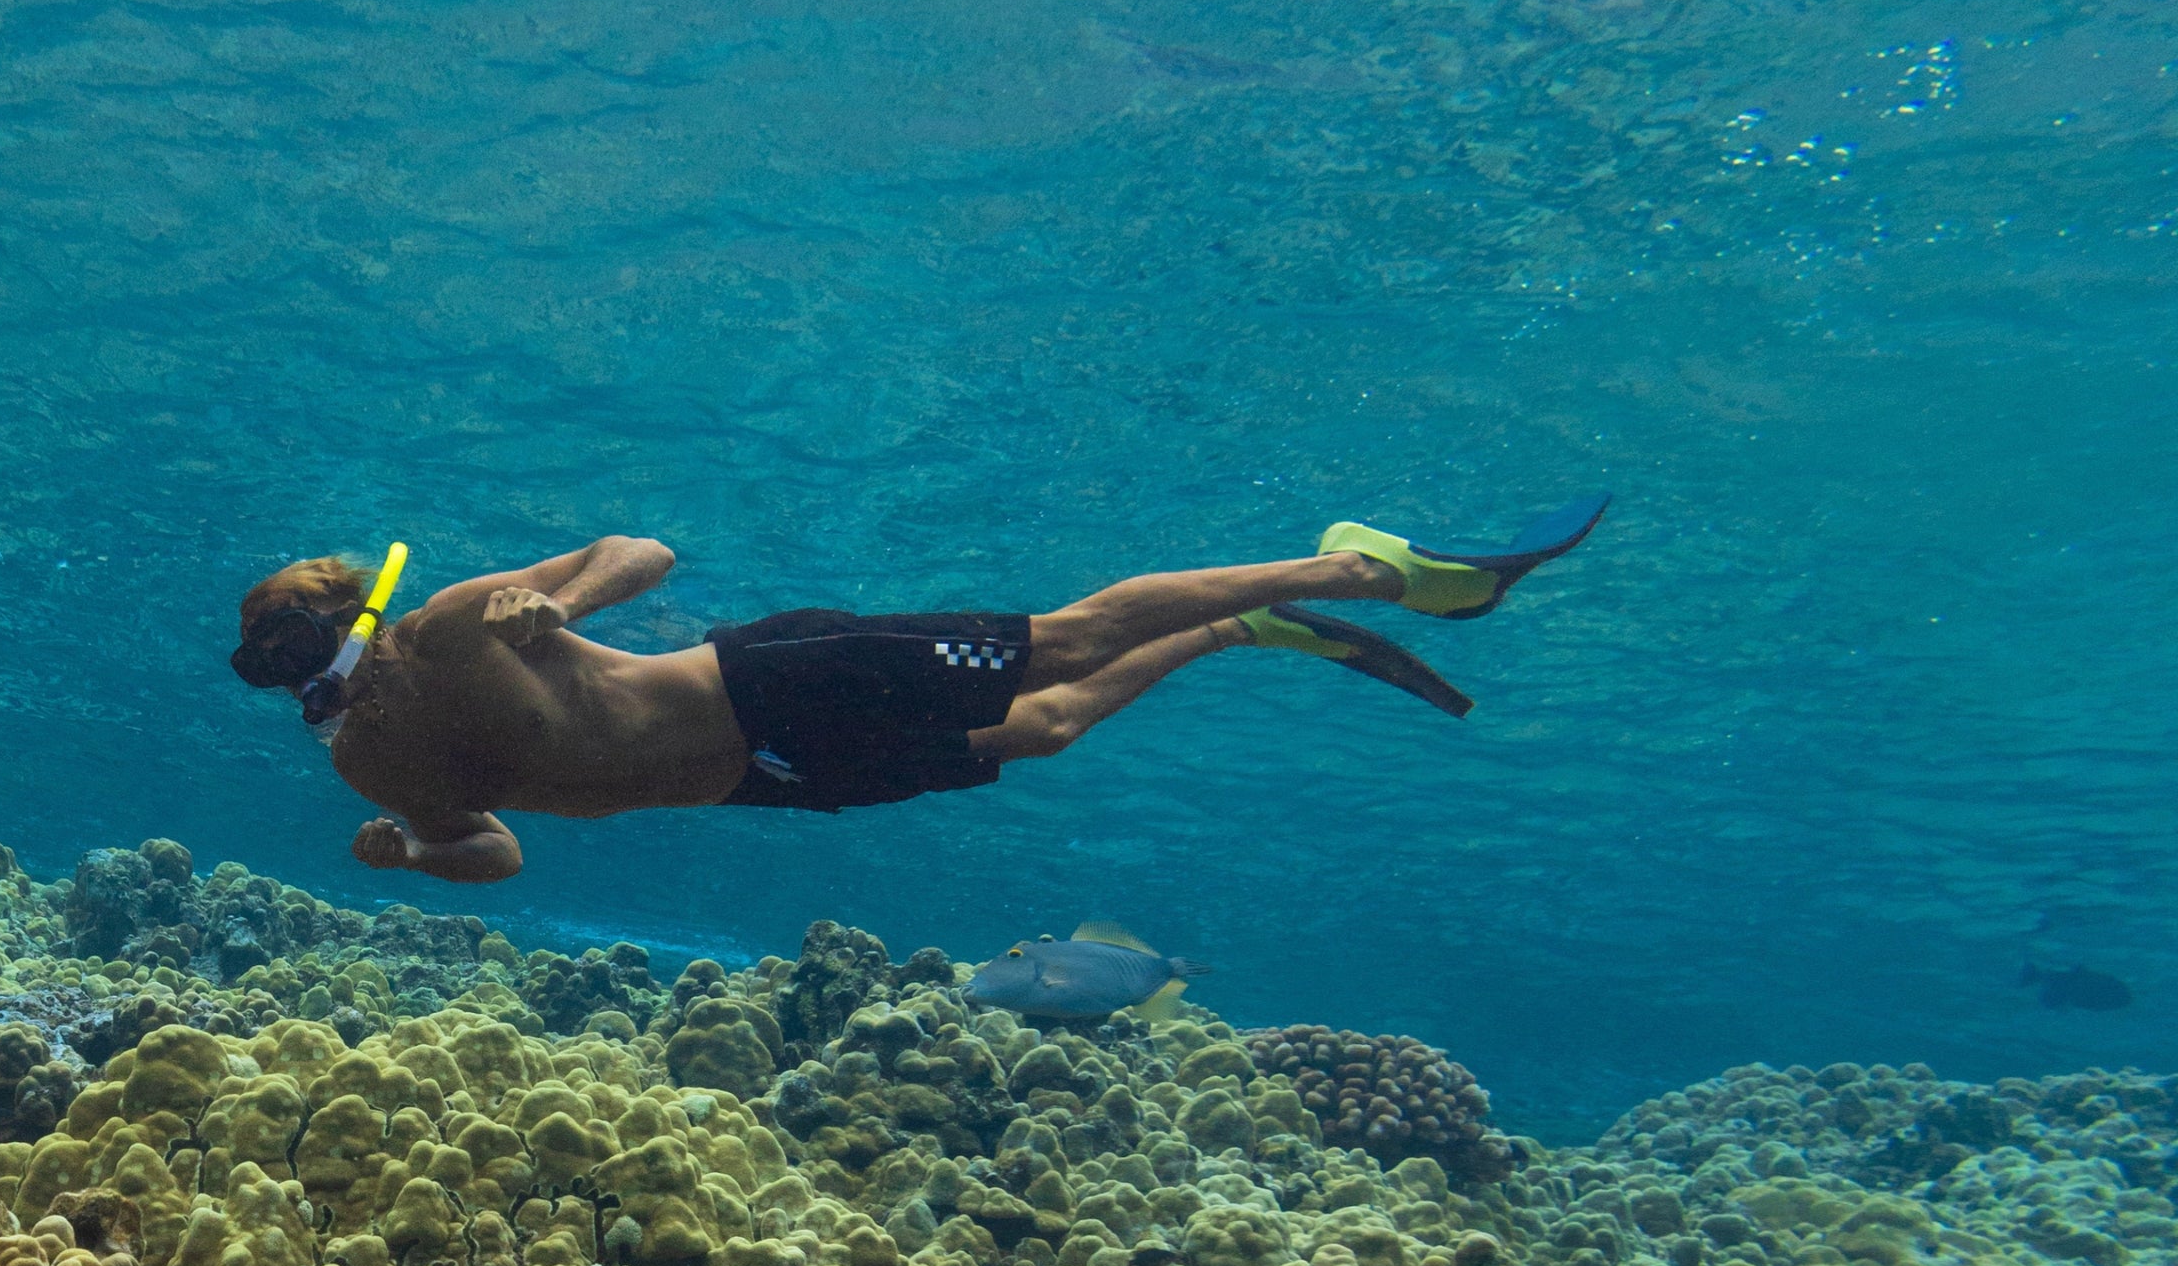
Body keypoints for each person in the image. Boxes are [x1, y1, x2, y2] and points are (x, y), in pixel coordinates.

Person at [226, 501, 1606, 886]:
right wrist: (410, 854)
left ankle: (1355, 569)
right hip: (761, 782)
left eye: (303, 628)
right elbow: (501, 853)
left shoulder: (455, 631)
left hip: (768, 680)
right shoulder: (370, 774)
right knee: (1048, 731)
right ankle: (1243, 629)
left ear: (350, 607)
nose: (305, 662)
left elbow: (648, 546)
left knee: (1060, 644)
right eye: (281, 655)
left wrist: (568, 600)